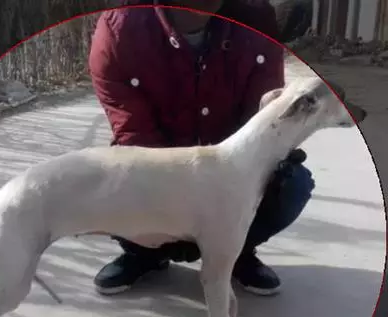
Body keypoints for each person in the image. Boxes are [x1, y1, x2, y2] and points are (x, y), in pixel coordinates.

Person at [88, 0, 315, 296]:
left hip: (228, 174)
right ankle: (144, 252)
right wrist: (175, 224)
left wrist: (276, 150)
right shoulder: (120, 31)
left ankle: (235, 252)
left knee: (291, 183)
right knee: (115, 178)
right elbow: (135, 134)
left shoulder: (257, 22)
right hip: (161, 170)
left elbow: (264, 120)